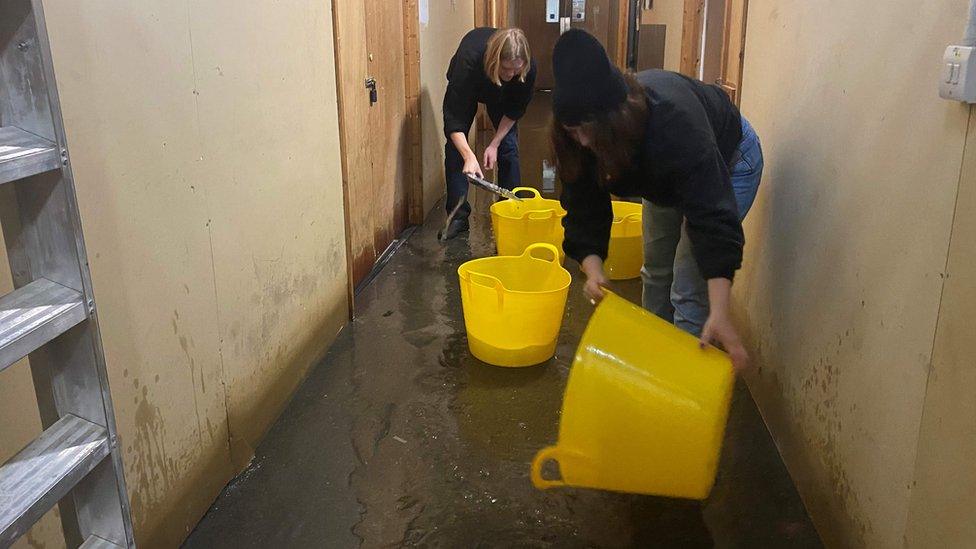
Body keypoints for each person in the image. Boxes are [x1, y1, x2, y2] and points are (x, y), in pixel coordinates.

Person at [550, 30, 763, 372]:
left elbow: (712, 216)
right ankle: (654, 373)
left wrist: (720, 312)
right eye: (574, 130)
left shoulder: (674, 127)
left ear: (615, 115)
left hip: (731, 160)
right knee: (656, 272)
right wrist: (593, 270)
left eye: (589, 128)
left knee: (687, 288)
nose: (584, 140)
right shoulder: (581, 134)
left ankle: (683, 390)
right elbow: (582, 200)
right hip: (663, 178)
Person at [440, 27, 537, 240]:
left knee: (508, 147)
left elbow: (514, 110)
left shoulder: (526, 70)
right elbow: (454, 119)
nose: (511, 75)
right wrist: (469, 155)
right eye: (506, 70)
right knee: (456, 150)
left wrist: (494, 144)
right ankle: (458, 217)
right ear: (495, 60)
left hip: (501, 94)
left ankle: (510, 211)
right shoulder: (468, 61)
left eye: (516, 70)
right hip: (472, 81)